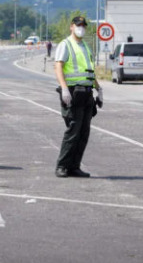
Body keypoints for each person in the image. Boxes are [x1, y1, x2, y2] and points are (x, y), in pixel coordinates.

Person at [54, 16, 102, 178]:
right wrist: (64, 88)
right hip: (73, 93)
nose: (81, 27)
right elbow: (58, 66)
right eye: (78, 25)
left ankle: (74, 166)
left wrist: (98, 88)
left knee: (83, 133)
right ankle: (62, 166)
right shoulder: (65, 44)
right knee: (73, 131)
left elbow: (89, 71)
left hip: (87, 93)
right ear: (71, 27)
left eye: (83, 25)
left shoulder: (86, 47)